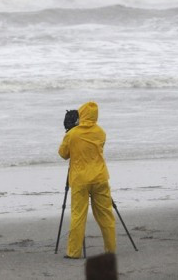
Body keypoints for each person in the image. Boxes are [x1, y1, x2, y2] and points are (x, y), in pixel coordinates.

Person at [58, 101, 116, 258]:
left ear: (81, 114)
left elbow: (63, 154)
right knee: (106, 215)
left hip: (80, 179)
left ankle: (74, 252)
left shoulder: (72, 134)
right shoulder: (101, 132)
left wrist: (69, 131)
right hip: (100, 178)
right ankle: (110, 250)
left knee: (78, 216)